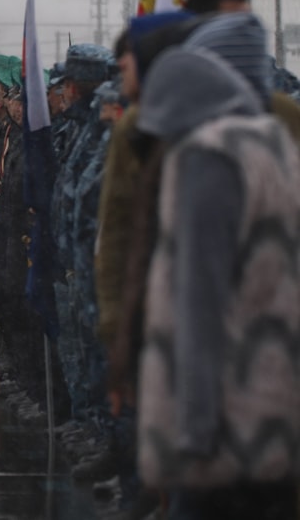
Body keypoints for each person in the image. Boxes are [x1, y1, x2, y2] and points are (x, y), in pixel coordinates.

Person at [134, 45, 300, 518]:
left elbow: (202, 299)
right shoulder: (271, 143)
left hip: (222, 425)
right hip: (274, 401)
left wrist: (195, 429)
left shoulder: (210, 158)